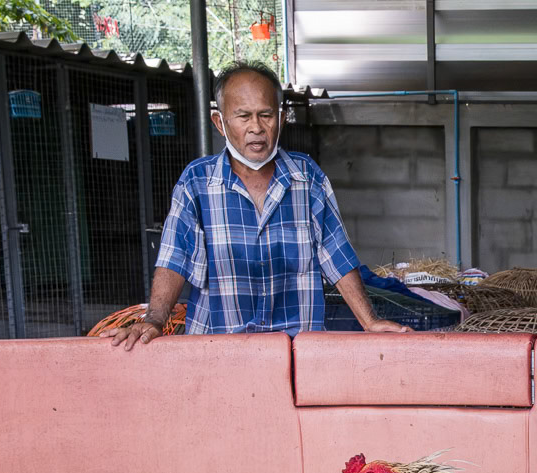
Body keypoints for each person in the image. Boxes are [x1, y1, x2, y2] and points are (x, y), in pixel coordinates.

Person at [112, 61, 409, 348]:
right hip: (218, 349)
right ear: (220, 122)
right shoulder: (197, 182)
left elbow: (337, 257)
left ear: (281, 118)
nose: (256, 127)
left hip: (294, 352)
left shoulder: (307, 179)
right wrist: (154, 319)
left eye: (265, 115)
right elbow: (174, 260)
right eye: (243, 116)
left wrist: (370, 321)